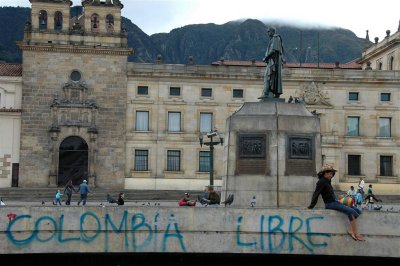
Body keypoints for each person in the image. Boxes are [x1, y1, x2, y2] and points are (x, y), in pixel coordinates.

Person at [307, 164, 365, 241]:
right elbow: (316, 194)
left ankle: (351, 229)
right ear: (325, 173)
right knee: (350, 211)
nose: (332, 175)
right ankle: (355, 233)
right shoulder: (321, 182)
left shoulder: (328, 181)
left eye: (332, 174)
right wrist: (311, 206)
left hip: (335, 201)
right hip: (330, 204)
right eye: (330, 173)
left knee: (357, 210)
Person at [260, 26, 284, 99]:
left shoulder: (275, 38)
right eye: (267, 31)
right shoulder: (274, 39)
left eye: (268, 31)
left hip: (273, 62)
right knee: (270, 77)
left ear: (272, 32)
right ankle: (269, 92)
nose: (267, 33)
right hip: (272, 62)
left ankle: (266, 92)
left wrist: (266, 57)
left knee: (268, 76)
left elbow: (273, 50)